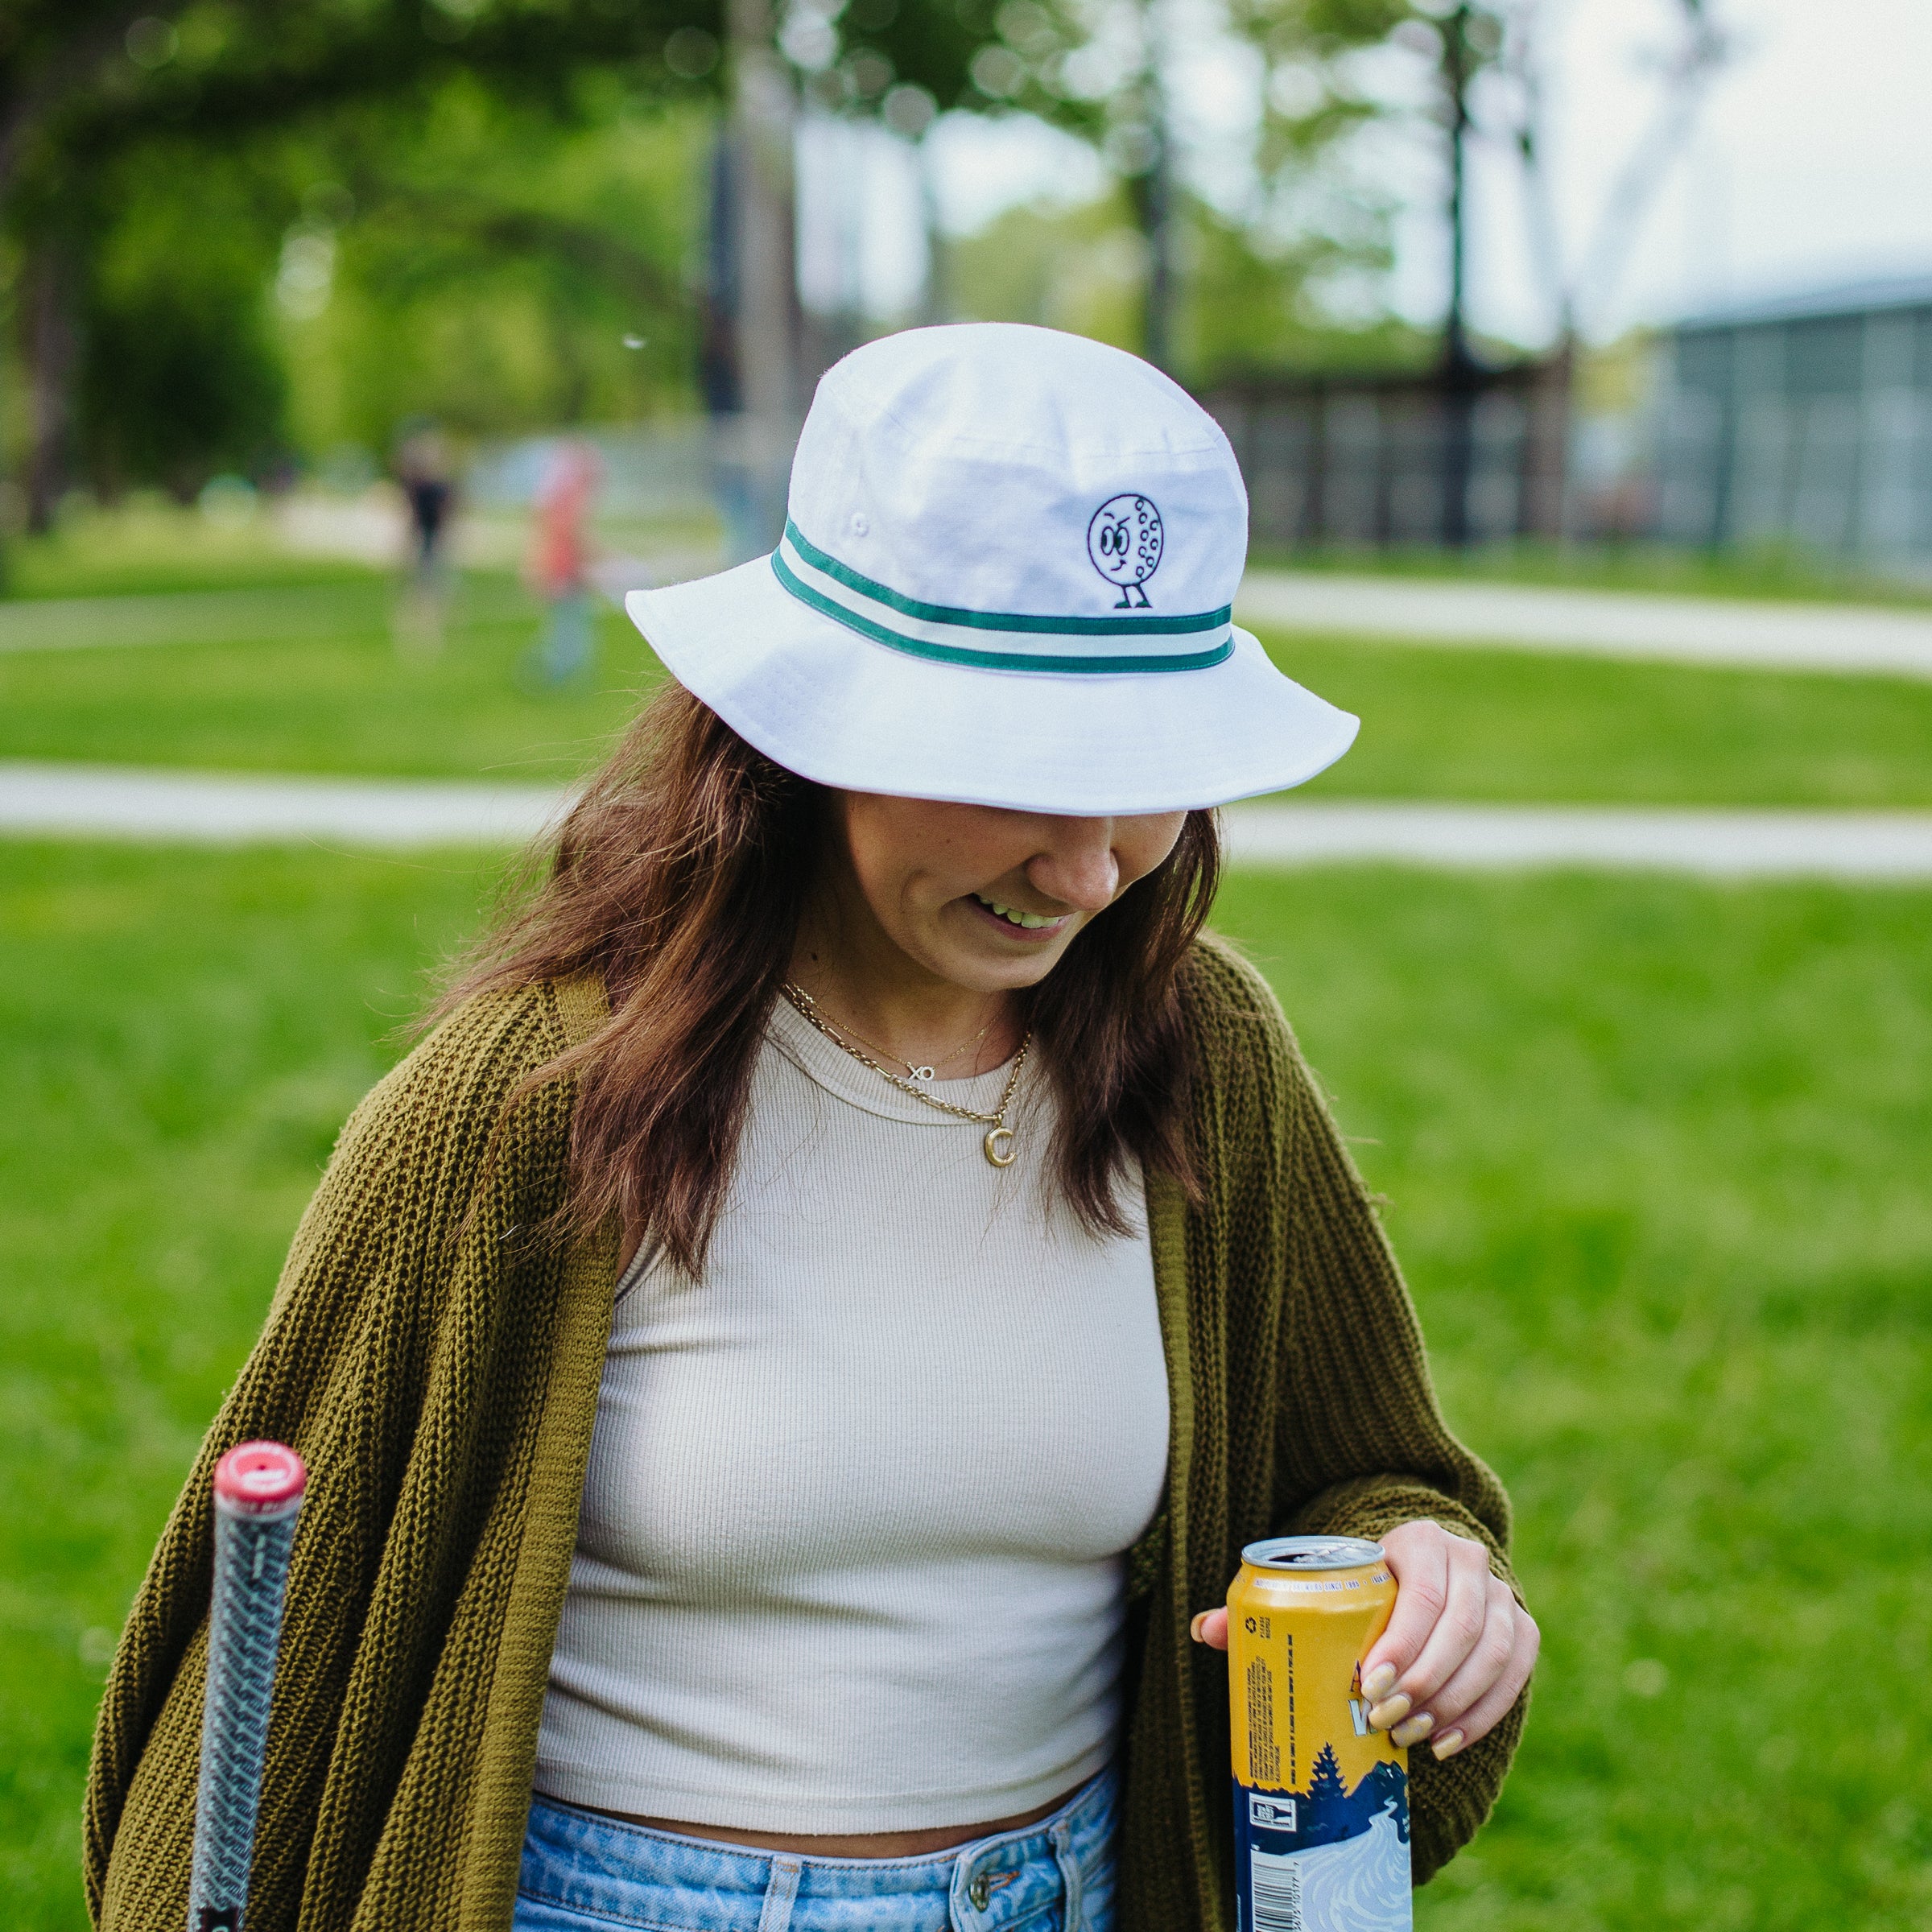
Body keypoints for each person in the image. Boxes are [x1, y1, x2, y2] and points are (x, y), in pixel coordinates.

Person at [85, 324, 1537, 1932]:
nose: (1087, 869)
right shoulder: (520, 1107)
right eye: (1017, 773)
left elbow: (1367, 1485)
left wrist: (1428, 1575)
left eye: (1146, 776)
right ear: (801, 733)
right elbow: (267, 1662)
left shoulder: (1205, 1051)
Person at [522, 440, 601, 687]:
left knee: (566, 627)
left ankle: (555, 674)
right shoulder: (568, 499)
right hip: (562, 573)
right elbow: (570, 536)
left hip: (563, 572)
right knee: (568, 630)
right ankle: (551, 674)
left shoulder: (557, 499)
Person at [393, 421, 457, 655]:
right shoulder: (420, 485)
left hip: (432, 538)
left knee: (431, 585)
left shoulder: (439, 485)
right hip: (421, 537)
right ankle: (417, 629)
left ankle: (429, 630)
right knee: (420, 586)